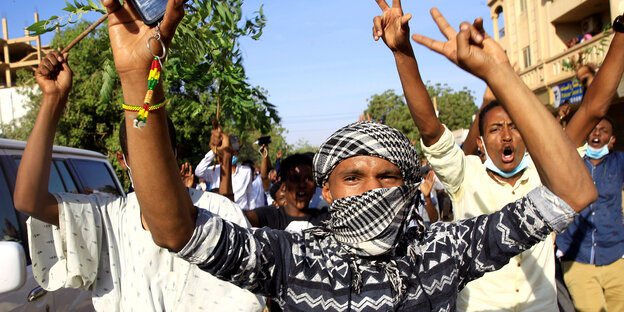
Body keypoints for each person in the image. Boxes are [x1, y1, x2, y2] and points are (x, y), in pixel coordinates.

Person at [107, 0, 598, 310]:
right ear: (327, 190)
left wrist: (500, 75)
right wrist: (138, 78)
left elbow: (573, 191)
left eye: (387, 176)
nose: (373, 190)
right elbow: (174, 230)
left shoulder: (439, 253)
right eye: (354, 177)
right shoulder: (294, 257)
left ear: (407, 185)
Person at [386, 4, 624, 311]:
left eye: (515, 126)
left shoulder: (548, 173)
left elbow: (593, 108)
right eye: (496, 129)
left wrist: (620, 31)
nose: (507, 136)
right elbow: (431, 129)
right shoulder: (464, 176)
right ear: (482, 142)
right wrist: (403, 52)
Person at [12, 51, 265, 311]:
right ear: (124, 160)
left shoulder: (219, 211)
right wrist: (53, 99)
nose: (151, 165)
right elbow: (28, 200)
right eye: (141, 156)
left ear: (175, 153)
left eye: (159, 152)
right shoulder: (109, 218)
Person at [555, 117, 624, 312]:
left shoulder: (619, 163)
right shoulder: (571, 163)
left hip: (616, 257)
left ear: (611, 140)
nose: (597, 134)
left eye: (603, 131)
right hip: (578, 259)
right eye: (593, 129)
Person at [244, 154, 329, 233]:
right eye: (295, 179)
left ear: (315, 187)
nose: (302, 185)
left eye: (307, 179)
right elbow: (236, 218)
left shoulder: (327, 220)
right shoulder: (269, 216)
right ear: (284, 186)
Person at [195, 135, 256, 210]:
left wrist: (252, 213)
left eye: (234, 152)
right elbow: (198, 172)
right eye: (228, 152)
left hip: (242, 213)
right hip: (221, 213)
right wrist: (214, 151)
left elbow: (250, 194)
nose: (231, 155)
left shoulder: (246, 171)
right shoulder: (214, 170)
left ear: (237, 153)